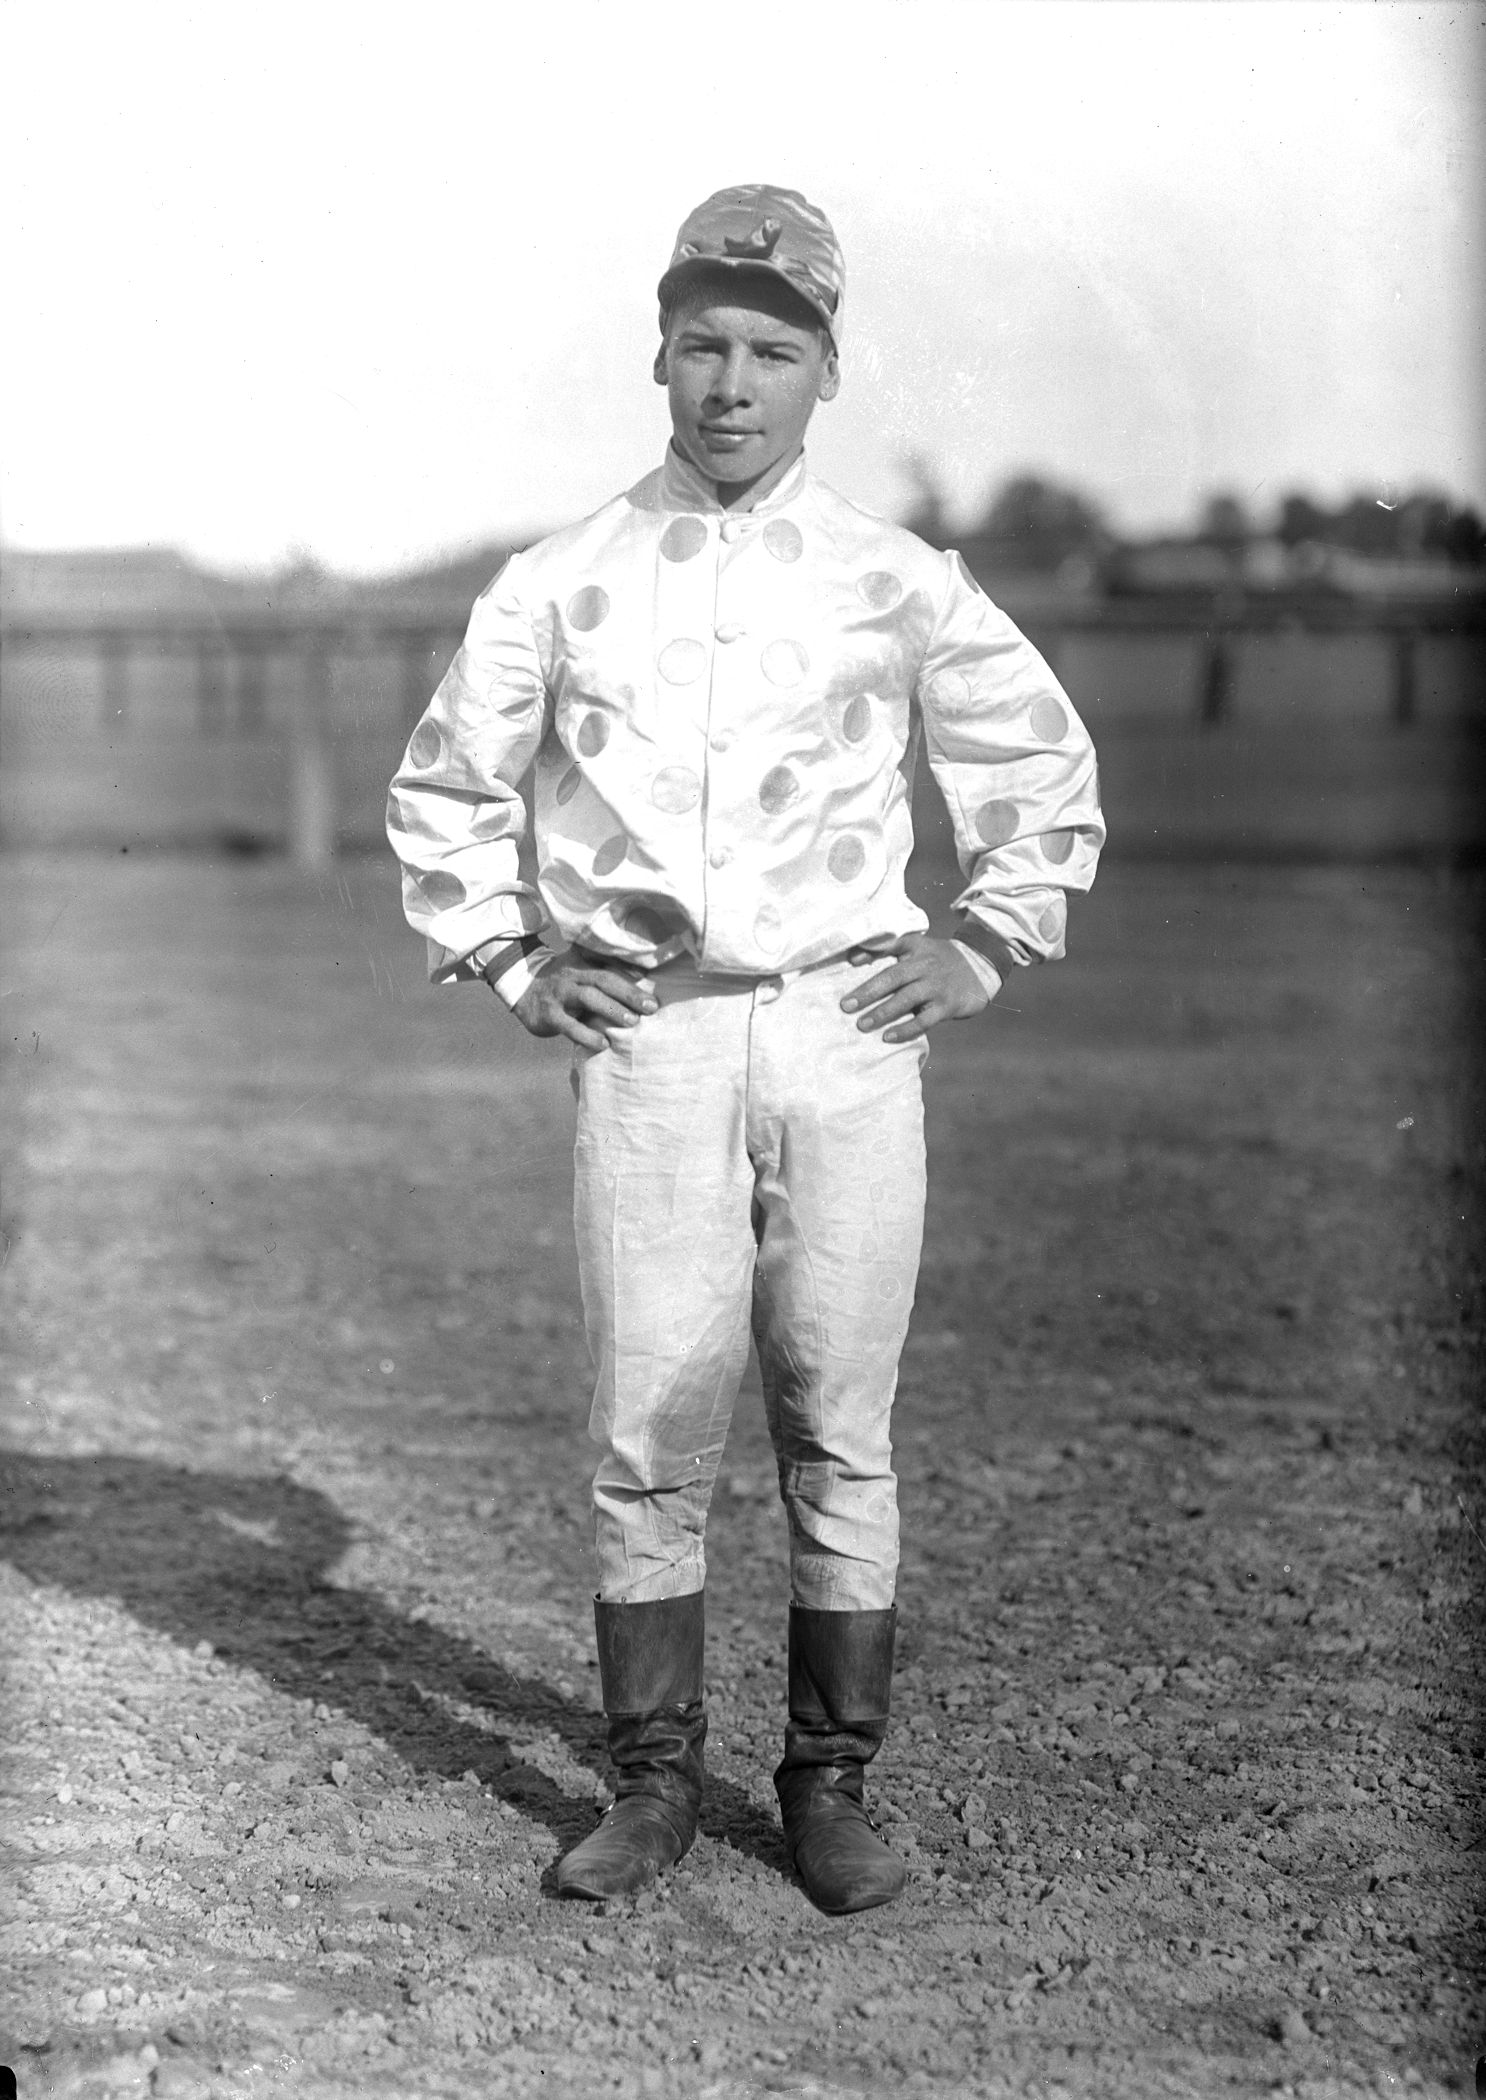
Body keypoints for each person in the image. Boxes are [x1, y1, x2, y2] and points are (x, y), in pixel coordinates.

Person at [387, 183, 1103, 1915]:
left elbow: (1036, 769)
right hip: (653, 1041)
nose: (731, 381)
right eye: (702, 344)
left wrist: (983, 940)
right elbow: (447, 791)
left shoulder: (896, 580)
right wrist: (505, 953)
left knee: (836, 1423)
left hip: (846, 1029)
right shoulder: (561, 581)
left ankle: (826, 1787)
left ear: (824, 372)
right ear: (657, 356)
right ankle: (647, 1785)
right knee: (648, 1423)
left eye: (770, 350)